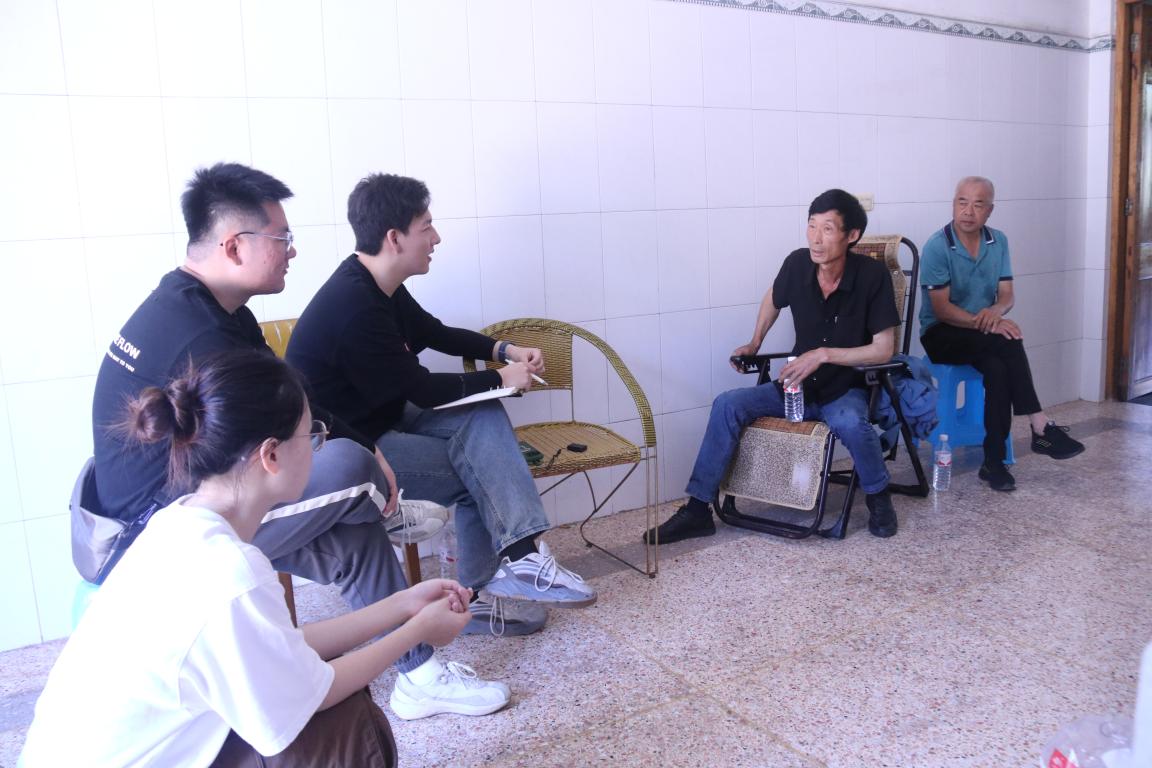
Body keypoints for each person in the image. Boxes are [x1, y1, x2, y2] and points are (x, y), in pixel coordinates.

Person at [88, 163, 507, 719]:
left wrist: (370, 445)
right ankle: (388, 508)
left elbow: (294, 397)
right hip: (159, 536)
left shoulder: (213, 309)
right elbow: (279, 444)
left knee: (356, 530)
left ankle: (419, 677)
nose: (292, 251)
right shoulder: (200, 334)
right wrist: (366, 459)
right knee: (349, 469)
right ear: (234, 246)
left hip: (198, 500)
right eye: (281, 238)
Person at [23, 350, 477, 767]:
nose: (318, 445)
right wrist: (419, 630)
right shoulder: (230, 572)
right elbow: (310, 695)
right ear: (271, 455)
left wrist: (402, 606)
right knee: (346, 728)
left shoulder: (177, 522)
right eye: (312, 435)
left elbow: (280, 647)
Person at [286, 173, 596, 645]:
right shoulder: (355, 306)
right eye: (426, 226)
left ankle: (519, 558)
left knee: (483, 417)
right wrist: (500, 378)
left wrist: (505, 350)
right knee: (481, 472)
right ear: (395, 238)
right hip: (350, 446)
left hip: (386, 414)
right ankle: (483, 593)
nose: (436, 238)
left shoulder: (377, 284)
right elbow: (423, 388)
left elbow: (436, 333)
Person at [644, 189, 902, 543]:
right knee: (728, 404)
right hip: (797, 387)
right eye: (811, 226)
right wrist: (755, 342)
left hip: (845, 387)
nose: (816, 238)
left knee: (851, 423)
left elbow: (883, 349)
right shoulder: (797, 264)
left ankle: (878, 497)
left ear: (852, 235)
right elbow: (773, 297)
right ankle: (698, 509)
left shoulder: (872, 276)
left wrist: (823, 354)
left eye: (828, 229)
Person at [919, 176, 1085, 492]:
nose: (968, 211)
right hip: (941, 334)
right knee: (1008, 340)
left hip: (982, 335)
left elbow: (1006, 295)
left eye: (978, 204)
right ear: (953, 204)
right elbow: (941, 310)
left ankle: (993, 463)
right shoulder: (937, 246)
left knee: (998, 369)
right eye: (962, 202)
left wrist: (995, 313)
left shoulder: (998, 241)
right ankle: (1039, 424)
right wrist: (988, 323)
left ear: (990, 210)